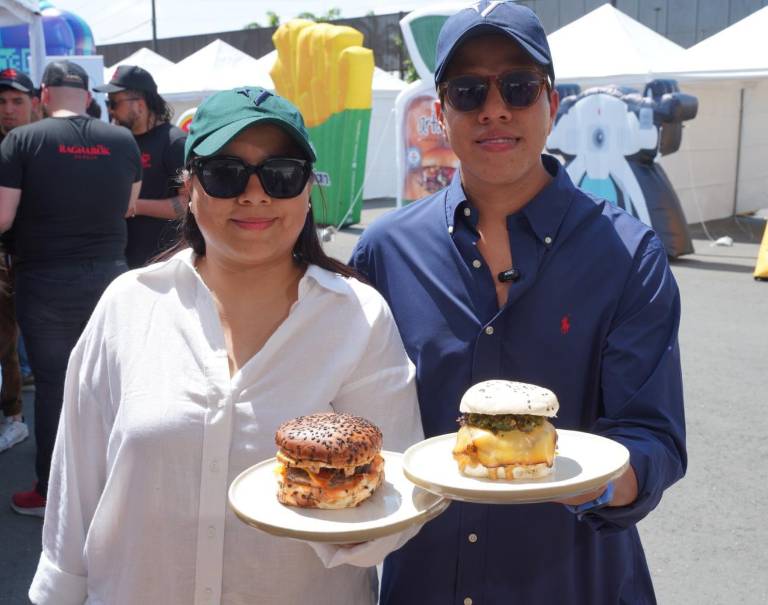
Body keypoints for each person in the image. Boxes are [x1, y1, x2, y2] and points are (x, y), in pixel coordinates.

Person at [28, 87, 424, 605]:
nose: (254, 194)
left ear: (307, 190)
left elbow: (396, 491)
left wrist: (352, 524)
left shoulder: (359, 316)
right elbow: (75, 484)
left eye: (280, 174)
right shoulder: (129, 305)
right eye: (225, 172)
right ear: (189, 187)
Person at [350, 3, 686, 604]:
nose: (494, 107)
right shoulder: (383, 253)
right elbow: (359, 416)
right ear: (442, 112)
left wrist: (604, 483)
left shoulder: (626, 254)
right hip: (427, 580)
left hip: (576, 579)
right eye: (468, 90)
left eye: (519, 86)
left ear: (551, 104)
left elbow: (653, 434)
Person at [0, 60, 142, 516]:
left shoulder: (21, 140)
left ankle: (52, 492)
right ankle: (119, 486)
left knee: (55, 387)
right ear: (86, 96)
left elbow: (3, 218)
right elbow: (129, 207)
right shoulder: (122, 140)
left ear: (43, 95)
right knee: (110, 382)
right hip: (110, 275)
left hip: (44, 279)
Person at [95, 65, 187, 267]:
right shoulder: (120, 142)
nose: (110, 110)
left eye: (114, 102)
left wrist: (133, 206)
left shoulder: (174, 142)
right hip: (121, 259)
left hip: (162, 261)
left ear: (139, 103)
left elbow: (186, 203)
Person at [0, 67, 39, 452]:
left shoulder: (42, 144)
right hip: (8, 258)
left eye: (17, 101)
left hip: (41, 260)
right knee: (7, 344)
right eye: (2, 102)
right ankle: (14, 417)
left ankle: (15, 418)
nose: (8, 109)